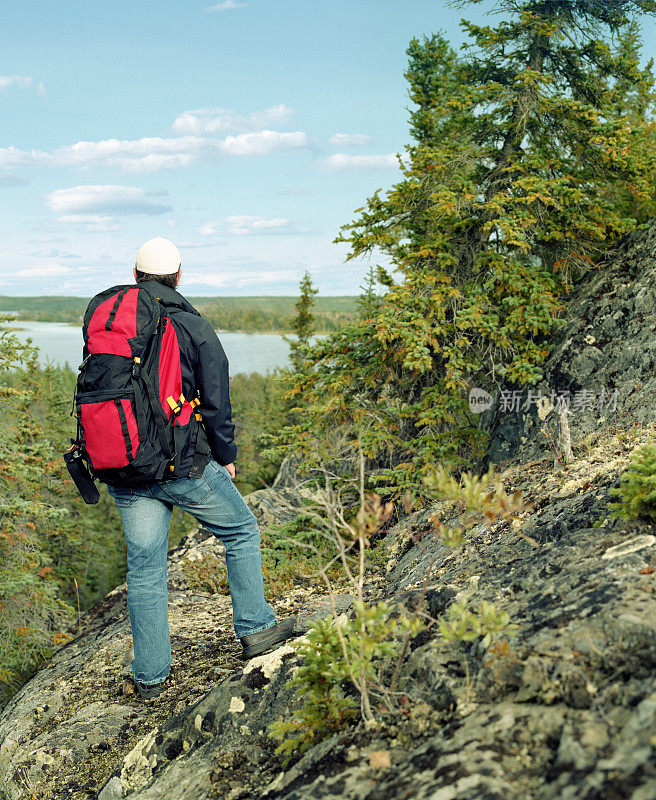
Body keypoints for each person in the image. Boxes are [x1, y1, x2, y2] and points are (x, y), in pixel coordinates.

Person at [104, 237, 295, 700]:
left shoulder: (113, 323)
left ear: (135, 276)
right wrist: (225, 458)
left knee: (145, 567)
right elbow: (216, 401)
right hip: (180, 464)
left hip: (126, 465)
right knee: (242, 531)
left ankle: (150, 677)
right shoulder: (193, 325)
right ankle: (255, 629)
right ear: (179, 276)